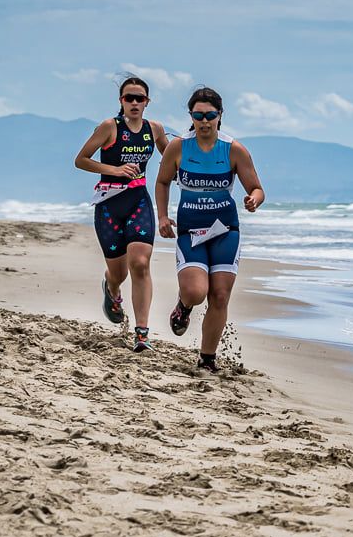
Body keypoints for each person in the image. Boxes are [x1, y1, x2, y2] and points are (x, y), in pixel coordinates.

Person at [155, 86, 265, 373]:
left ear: (220, 116)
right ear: (191, 116)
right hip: (190, 231)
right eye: (198, 115)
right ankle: (184, 306)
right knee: (195, 292)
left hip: (225, 230)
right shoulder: (179, 147)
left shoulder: (233, 149)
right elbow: (163, 181)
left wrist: (254, 199)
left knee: (219, 296)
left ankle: (207, 359)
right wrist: (163, 218)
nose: (204, 121)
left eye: (210, 115)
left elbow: (256, 187)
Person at [74, 76, 170, 352]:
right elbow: (80, 160)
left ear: (147, 102)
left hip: (138, 201)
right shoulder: (109, 127)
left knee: (140, 263)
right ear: (121, 101)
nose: (135, 103)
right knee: (119, 273)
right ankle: (111, 289)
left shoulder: (155, 129)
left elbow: (170, 156)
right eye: (130, 98)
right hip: (108, 205)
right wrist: (114, 170)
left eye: (140, 98)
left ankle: (142, 334)